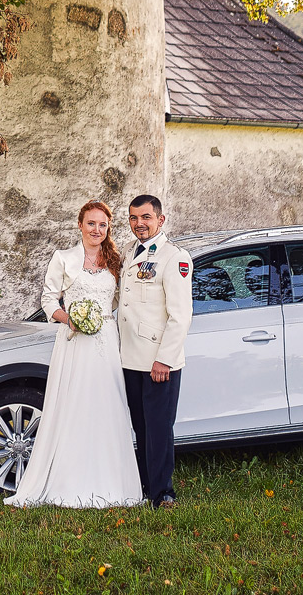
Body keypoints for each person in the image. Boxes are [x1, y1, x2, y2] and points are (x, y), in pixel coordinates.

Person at [4, 201, 148, 509]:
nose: (97, 229)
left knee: (107, 405)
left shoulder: (115, 260)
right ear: (80, 225)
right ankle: (68, 482)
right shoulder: (63, 258)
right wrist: (70, 319)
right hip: (74, 340)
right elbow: (48, 299)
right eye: (91, 223)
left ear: (108, 229)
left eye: (103, 225)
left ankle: (113, 483)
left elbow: (122, 299)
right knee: (74, 404)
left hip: (106, 339)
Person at [117, 193, 192, 507]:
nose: (139, 223)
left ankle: (163, 493)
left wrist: (164, 359)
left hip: (157, 361)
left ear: (160, 220)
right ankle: (146, 487)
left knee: (159, 428)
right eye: (134, 218)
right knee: (141, 427)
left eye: (146, 217)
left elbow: (180, 315)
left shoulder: (175, 257)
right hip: (130, 358)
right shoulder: (128, 251)